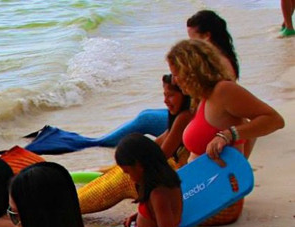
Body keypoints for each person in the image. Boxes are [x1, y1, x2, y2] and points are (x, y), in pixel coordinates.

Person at [24, 10, 240, 156]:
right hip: (198, 118)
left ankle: (92, 142)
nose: (190, 43)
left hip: (200, 121)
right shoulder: (217, 58)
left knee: (145, 118)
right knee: (147, 117)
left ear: (208, 36)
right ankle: (92, 140)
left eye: (194, 38)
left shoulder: (218, 66)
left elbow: (217, 104)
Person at [78, 74, 192, 214]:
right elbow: (156, 145)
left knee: (125, 177)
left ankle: (69, 204)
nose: (165, 101)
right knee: (124, 167)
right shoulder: (180, 117)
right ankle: (72, 198)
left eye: (171, 95)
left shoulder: (185, 117)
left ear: (185, 94)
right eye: (164, 95)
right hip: (179, 176)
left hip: (182, 181)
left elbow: (161, 156)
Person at [167, 39, 284, 163]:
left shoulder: (223, 91)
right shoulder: (203, 98)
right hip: (207, 180)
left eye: (176, 74)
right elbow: (246, 126)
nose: (174, 81)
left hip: (223, 180)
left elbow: (275, 120)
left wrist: (229, 135)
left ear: (191, 71)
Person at [87, 134, 182, 227]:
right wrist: (139, 216)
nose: (130, 178)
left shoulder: (159, 193)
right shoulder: (163, 181)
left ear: (139, 166)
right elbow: (162, 214)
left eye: (128, 172)